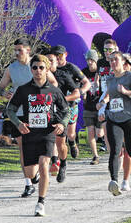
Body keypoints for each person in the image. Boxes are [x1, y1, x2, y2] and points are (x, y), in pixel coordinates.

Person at [6, 54, 70, 216]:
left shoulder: (54, 91)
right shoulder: (24, 90)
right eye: (34, 67)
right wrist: (18, 123)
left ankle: (41, 203)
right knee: (30, 173)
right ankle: (36, 181)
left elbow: (66, 110)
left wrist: (62, 124)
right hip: (29, 133)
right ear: (31, 69)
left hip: (47, 133)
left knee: (44, 165)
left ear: (47, 69)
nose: (38, 71)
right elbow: (10, 109)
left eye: (41, 67)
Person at [0, 38, 57, 198]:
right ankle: (28, 183)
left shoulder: (37, 65)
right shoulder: (11, 68)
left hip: (39, 111)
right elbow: (0, 88)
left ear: (28, 50)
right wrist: (5, 94)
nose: (17, 53)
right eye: (15, 50)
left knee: (40, 144)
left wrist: (48, 100)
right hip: (20, 114)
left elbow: (54, 84)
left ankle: (42, 167)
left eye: (20, 50)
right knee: (22, 146)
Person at [96, 51, 131, 195]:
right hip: (114, 119)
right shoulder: (110, 79)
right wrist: (102, 103)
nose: (113, 63)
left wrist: (126, 92)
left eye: (116, 60)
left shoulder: (130, 77)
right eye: (111, 60)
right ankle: (114, 181)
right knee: (115, 150)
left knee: (130, 150)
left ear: (123, 62)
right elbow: (108, 95)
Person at [46, 50, 81, 183]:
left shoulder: (64, 75)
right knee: (50, 139)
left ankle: (63, 164)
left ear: (57, 62)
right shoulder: (40, 76)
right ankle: (54, 162)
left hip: (62, 112)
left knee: (61, 142)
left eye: (52, 60)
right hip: (46, 112)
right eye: (46, 60)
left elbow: (77, 93)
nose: (49, 63)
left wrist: (62, 100)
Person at [81, 49, 104, 165]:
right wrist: (83, 93)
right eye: (88, 60)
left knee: (99, 133)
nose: (89, 62)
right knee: (90, 131)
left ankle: (106, 143)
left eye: (92, 60)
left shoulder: (101, 72)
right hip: (88, 106)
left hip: (100, 106)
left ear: (96, 61)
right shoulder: (83, 72)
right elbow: (80, 84)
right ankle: (95, 156)